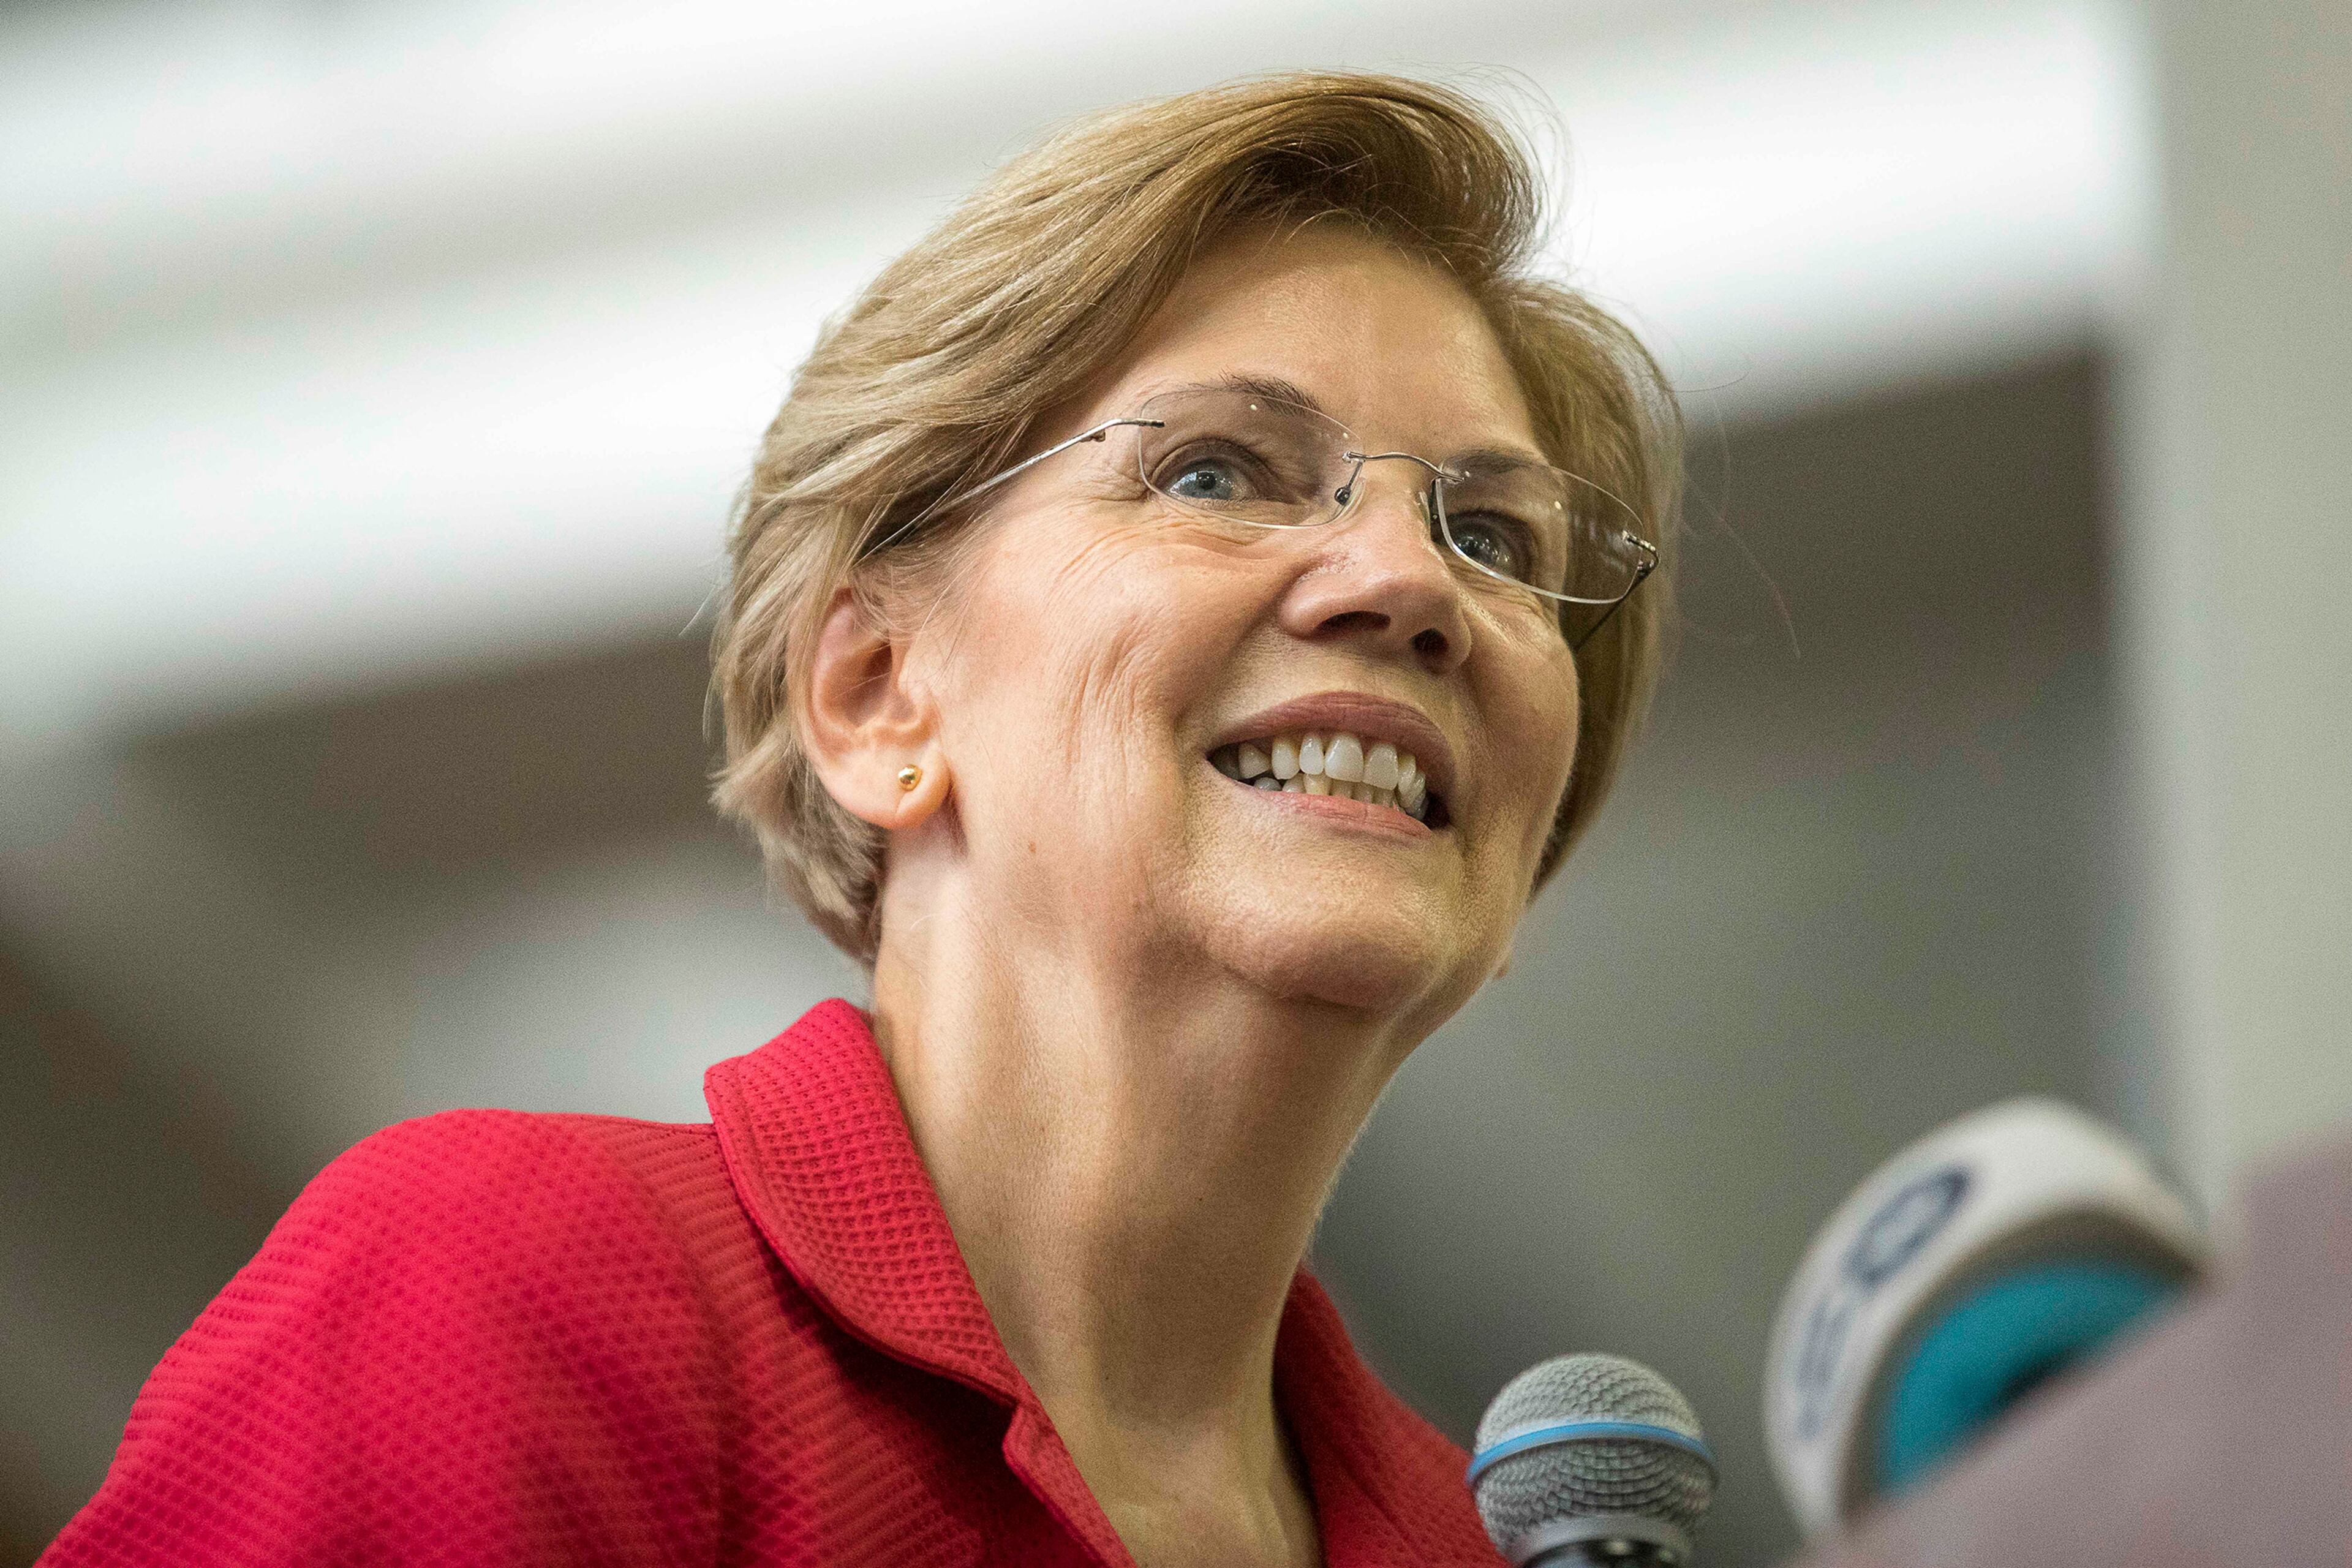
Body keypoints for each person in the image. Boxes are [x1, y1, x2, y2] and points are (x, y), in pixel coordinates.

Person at [42, 72, 1679, 1567]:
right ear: (880, 694)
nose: (1411, 583)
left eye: (1496, 534)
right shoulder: (519, 1288)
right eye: (1215, 474)